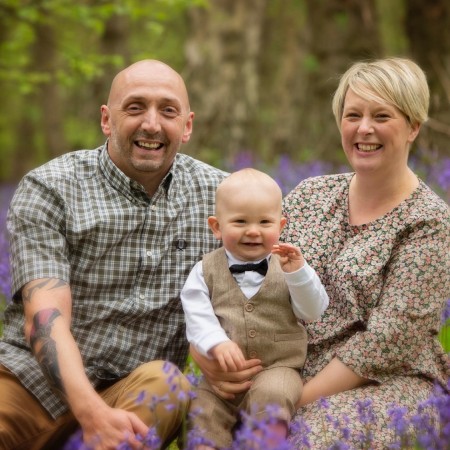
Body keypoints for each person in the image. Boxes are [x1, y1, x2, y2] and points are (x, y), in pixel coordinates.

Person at [190, 57, 450, 447]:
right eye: (353, 115)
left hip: (382, 383)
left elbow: (385, 344)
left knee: (298, 438)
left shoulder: (428, 223)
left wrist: (285, 404)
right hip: (281, 370)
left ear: (413, 126)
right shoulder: (312, 194)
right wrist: (209, 354)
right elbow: (232, 276)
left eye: (382, 116)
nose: (364, 129)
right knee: (198, 424)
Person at [0, 59, 227, 450]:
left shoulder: (220, 198)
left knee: (168, 384)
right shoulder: (52, 188)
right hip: (31, 385)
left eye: (167, 110)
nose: (152, 124)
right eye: (135, 107)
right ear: (107, 119)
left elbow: (256, 292)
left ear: (187, 125)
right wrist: (91, 414)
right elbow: (45, 319)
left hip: (131, 393)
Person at [181, 168, 329, 449]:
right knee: (202, 410)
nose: (253, 231)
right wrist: (216, 343)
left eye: (264, 222)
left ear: (281, 226)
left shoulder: (290, 267)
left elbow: (313, 310)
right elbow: (196, 314)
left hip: (278, 367)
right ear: (216, 227)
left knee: (273, 398)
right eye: (240, 221)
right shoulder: (204, 270)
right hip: (222, 374)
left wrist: (298, 275)